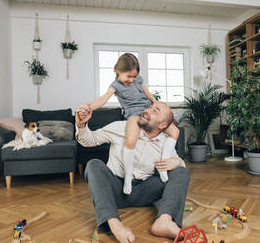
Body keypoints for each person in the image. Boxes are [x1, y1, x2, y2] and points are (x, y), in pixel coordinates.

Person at [75, 102, 190, 243]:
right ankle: (114, 224)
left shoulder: (164, 143)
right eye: (149, 107)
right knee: (93, 165)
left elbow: (179, 164)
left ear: (161, 126)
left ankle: (164, 221)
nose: (147, 110)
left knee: (182, 172)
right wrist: (81, 126)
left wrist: (178, 162)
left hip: (145, 192)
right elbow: (89, 140)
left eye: (155, 111)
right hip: (116, 191)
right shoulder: (120, 127)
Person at [82, 53, 179, 194]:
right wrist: (90, 108)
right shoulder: (115, 85)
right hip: (134, 115)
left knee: (175, 132)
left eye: (134, 76)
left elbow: (147, 93)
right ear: (118, 71)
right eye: (128, 76)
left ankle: (163, 168)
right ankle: (128, 177)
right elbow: (103, 99)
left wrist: (156, 103)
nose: (132, 79)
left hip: (147, 111)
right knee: (131, 139)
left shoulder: (138, 79)